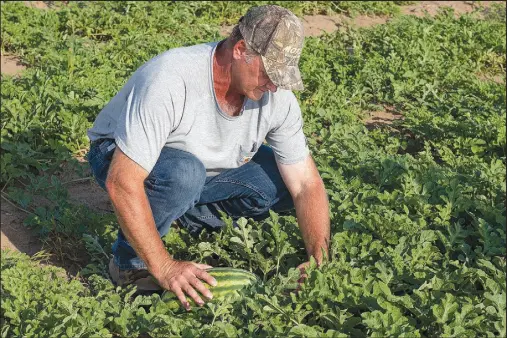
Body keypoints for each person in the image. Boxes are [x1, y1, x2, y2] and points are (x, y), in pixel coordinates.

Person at [86, 4, 330, 311]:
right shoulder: (172, 78)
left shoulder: (276, 99)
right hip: (120, 155)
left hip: (204, 174)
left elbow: (307, 184)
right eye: (270, 73)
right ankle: (129, 265)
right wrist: (165, 267)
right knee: (184, 175)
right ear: (241, 49)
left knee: (277, 181)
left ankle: (171, 212)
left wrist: (318, 261)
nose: (275, 85)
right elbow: (122, 180)